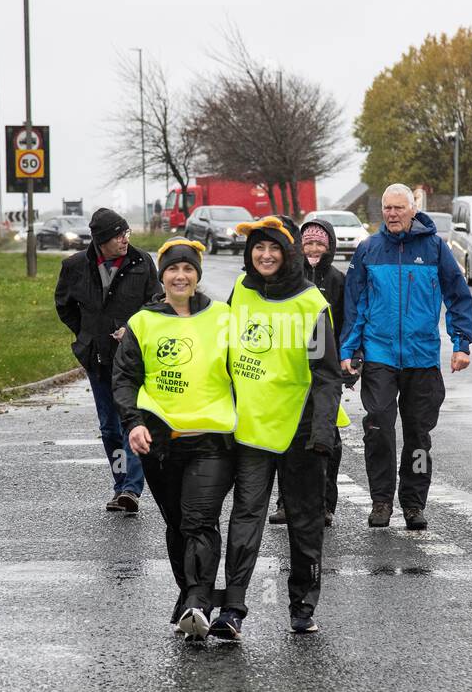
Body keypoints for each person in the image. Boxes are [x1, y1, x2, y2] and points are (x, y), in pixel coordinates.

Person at [220, 216, 342, 637]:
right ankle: (232, 608)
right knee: (246, 515)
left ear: (288, 253)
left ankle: (303, 606)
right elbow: (225, 356)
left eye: (274, 248)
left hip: (301, 429)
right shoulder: (241, 291)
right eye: (258, 248)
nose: (265, 255)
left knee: (304, 521)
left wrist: (323, 431)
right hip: (253, 429)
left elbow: (327, 374)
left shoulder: (310, 303)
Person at [112, 238, 236, 641]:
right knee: (177, 524)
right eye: (172, 270)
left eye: (188, 269)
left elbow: (249, 371)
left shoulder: (223, 316)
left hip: (213, 439)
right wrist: (133, 423)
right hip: (160, 441)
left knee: (200, 519)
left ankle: (199, 602)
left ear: (197, 275)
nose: (180, 276)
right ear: (162, 276)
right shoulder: (143, 322)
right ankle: (189, 599)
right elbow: (125, 378)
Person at [341, 183, 472, 530]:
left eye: (399, 208)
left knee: (418, 436)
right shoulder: (369, 249)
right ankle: (381, 501)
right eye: (387, 208)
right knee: (378, 428)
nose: (393, 214)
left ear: (413, 209)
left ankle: (414, 504)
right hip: (380, 355)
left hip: (422, 357)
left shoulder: (434, 248)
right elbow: (355, 306)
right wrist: (349, 350)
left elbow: (458, 295)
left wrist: (461, 343)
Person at [55, 207, 160, 516]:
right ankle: (120, 484)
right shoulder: (75, 266)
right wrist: (87, 334)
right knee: (109, 427)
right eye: (118, 236)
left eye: (126, 233)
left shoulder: (142, 262)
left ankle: (132, 488)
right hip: (97, 358)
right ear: (101, 240)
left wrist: (133, 329)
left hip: (133, 359)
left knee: (132, 420)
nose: (124, 240)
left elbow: (155, 302)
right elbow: (64, 305)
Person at [268, 215, 347, 528]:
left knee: (328, 438)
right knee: (287, 437)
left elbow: (344, 320)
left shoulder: (338, 280)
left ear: (330, 248)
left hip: (326, 371)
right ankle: (286, 502)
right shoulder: (290, 276)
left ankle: (325, 504)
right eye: (308, 242)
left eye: (320, 243)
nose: (314, 248)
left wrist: (347, 362)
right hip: (292, 370)